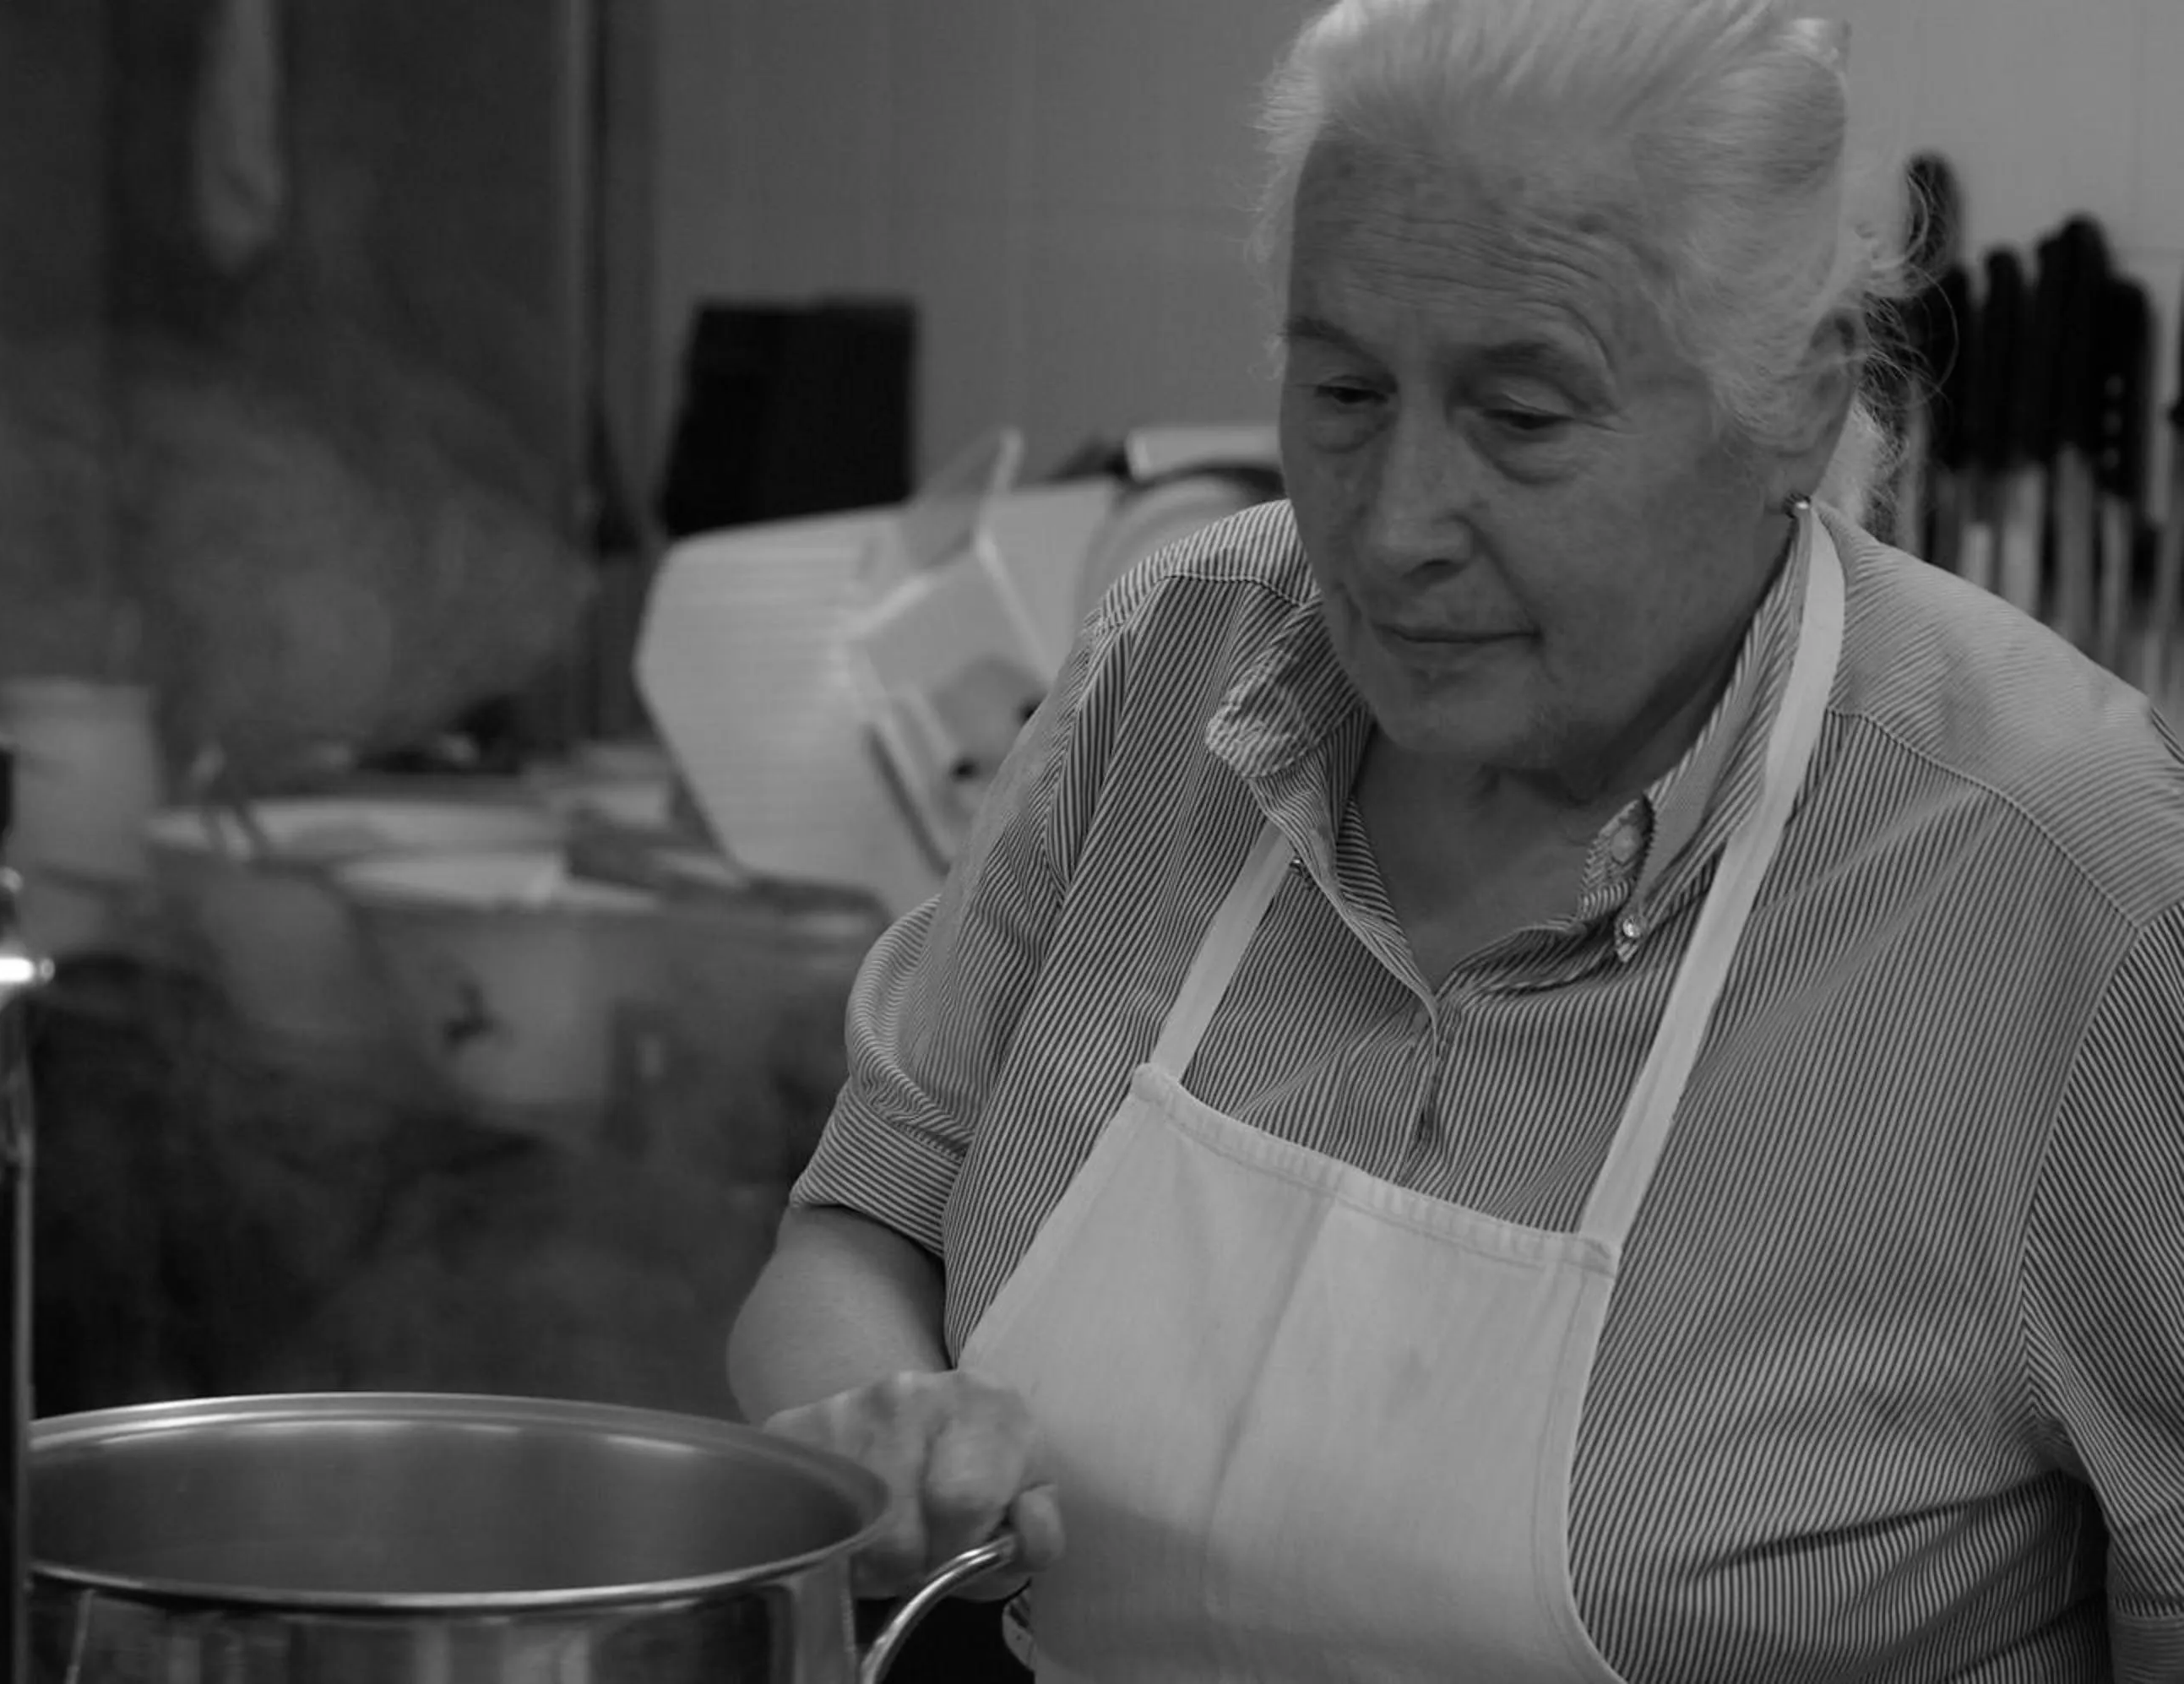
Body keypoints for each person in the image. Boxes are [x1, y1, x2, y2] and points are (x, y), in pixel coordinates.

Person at [727, 0, 2184, 1676]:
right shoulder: (1184, 650)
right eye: (1344, 388)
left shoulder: (2068, 880)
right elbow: (860, 1227)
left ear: (1796, 404)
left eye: (1523, 415)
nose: (1396, 526)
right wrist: (872, 1443)